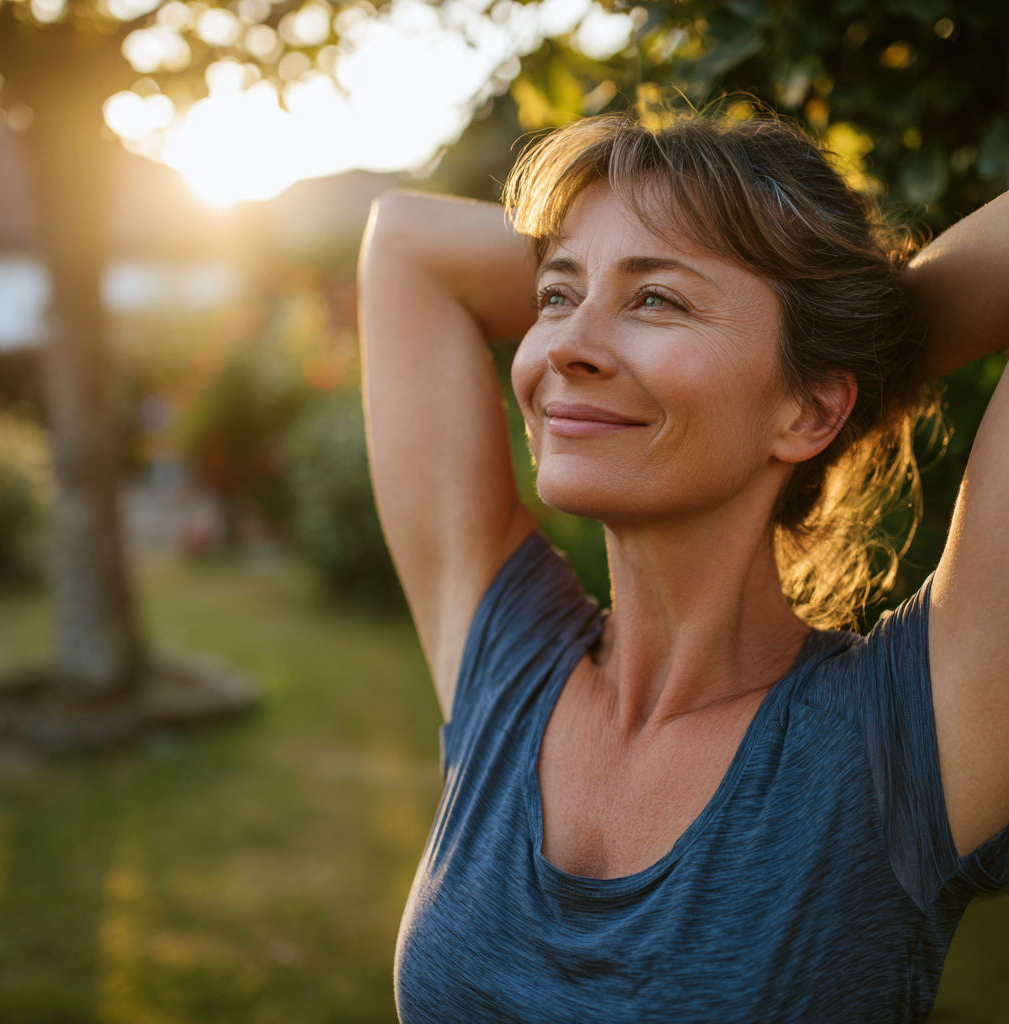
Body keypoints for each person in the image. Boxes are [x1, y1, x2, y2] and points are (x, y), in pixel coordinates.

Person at [358, 109, 1009, 1023]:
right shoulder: (510, 667)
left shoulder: (906, 742)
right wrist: (829, 341)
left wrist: (847, 342)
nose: (562, 349)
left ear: (811, 413)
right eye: (555, 294)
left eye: (655, 299)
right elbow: (404, 243)